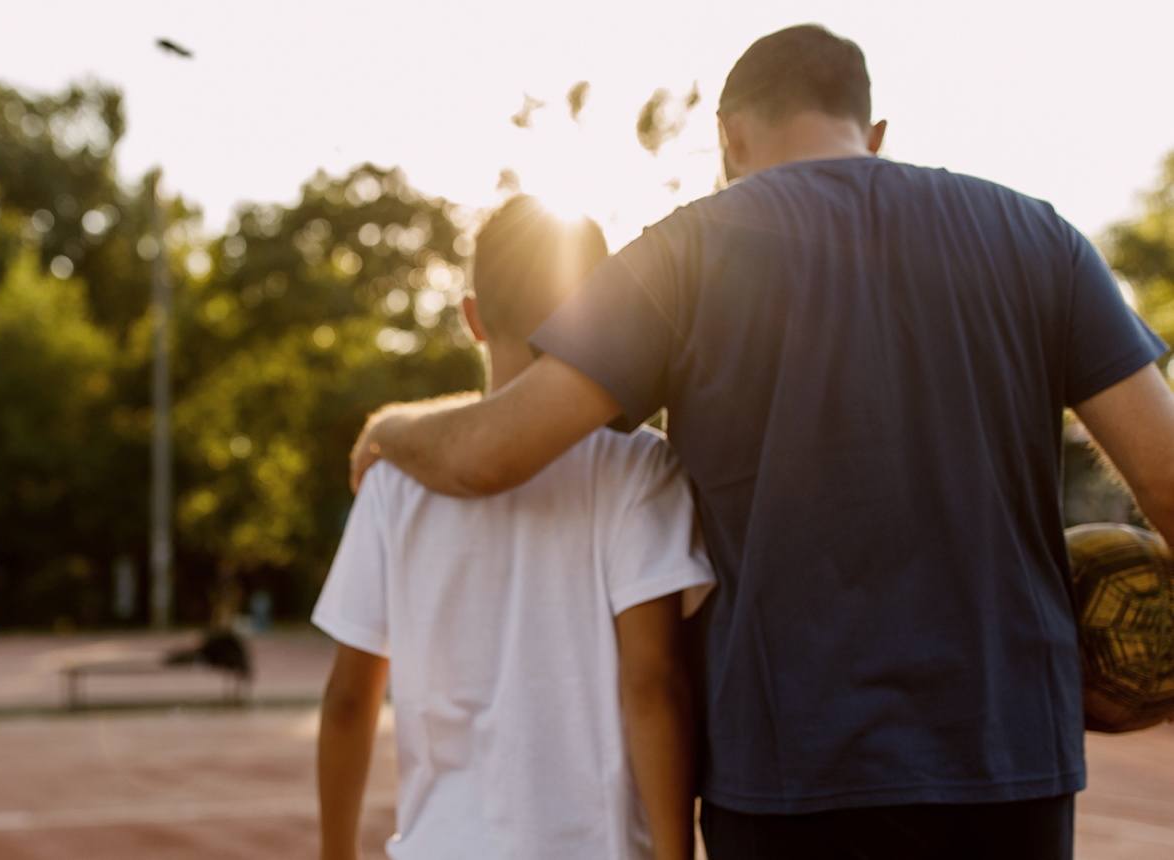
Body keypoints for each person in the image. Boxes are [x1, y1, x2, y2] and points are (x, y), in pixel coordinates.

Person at [348, 24, 1174, 860]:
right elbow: (1169, 480)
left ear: (729, 138)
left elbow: (491, 451)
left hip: (788, 778)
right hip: (1010, 766)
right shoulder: (1041, 238)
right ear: (874, 132)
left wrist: (391, 426)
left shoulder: (685, 252)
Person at [316, 196, 716, 860]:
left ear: (473, 318)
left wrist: (335, 855)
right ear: (601, 313)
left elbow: (349, 701)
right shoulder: (639, 466)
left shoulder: (391, 483)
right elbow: (654, 682)